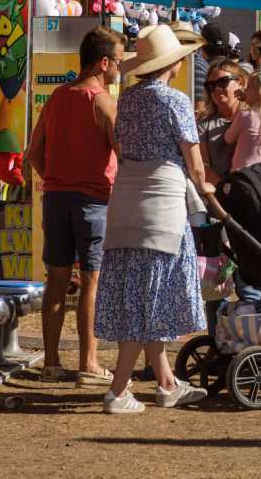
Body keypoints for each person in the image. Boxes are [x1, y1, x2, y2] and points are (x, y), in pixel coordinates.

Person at [95, 25, 222, 413]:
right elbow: (195, 164)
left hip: (125, 201)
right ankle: (118, 390)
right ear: (176, 63)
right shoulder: (175, 101)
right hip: (163, 205)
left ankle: (167, 383)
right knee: (149, 296)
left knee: (139, 293)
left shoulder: (127, 99)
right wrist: (211, 195)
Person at [23, 25, 123, 385]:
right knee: (90, 283)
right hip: (93, 201)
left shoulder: (57, 97)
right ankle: (89, 362)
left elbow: (33, 154)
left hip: (56, 198)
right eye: (119, 63)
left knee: (57, 280)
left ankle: (51, 361)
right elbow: (123, 154)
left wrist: (57, 177)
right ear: (104, 63)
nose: (119, 70)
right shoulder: (103, 102)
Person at [209, 60, 261, 174]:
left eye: (248, 87)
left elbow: (228, 139)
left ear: (260, 93)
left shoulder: (245, 115)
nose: (244, 90)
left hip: (243, 176)